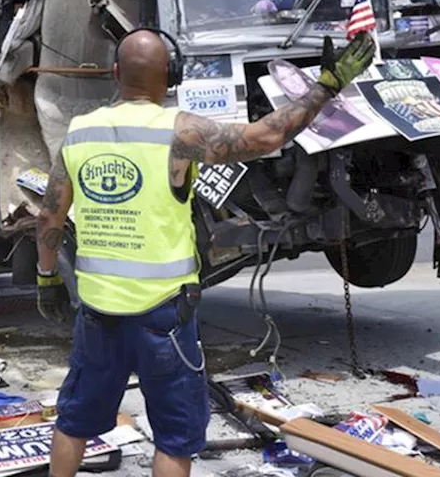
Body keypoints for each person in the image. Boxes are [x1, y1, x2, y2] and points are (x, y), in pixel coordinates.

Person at [34, 29, 377, 477]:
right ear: (169, 78)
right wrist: (328, 85)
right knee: (174, 439)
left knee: (74, 422)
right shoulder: (180, 132)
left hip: (98, 311)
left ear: (116, 75)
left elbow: (49, 217)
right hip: (164, 316)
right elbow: (265, 137)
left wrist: (47, 279)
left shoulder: (80, 133)